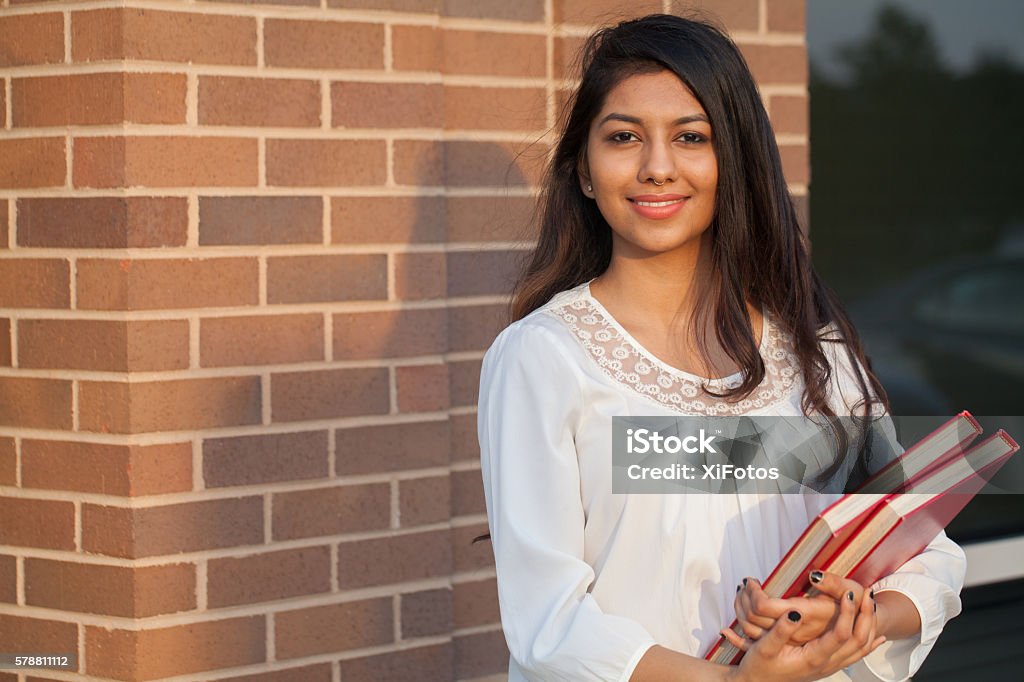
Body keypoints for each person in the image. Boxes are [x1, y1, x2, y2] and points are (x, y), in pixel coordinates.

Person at [476, 13, 966, 682]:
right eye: (623, 137)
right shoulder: (543, 358)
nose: (656, 166)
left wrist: (856, 618)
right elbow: (548, 623)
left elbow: (928, 554)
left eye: (691, 136)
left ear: (732, 162)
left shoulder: (817, 356)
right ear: (585, 171)